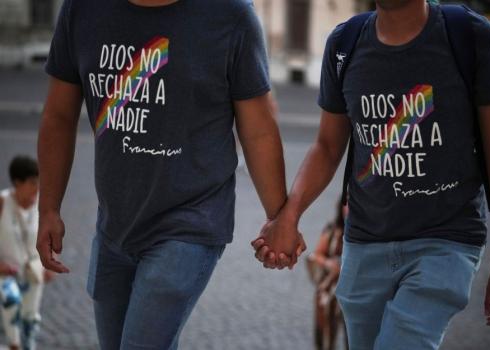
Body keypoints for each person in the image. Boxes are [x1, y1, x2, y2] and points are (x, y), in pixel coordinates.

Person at [253, 0, 490, 349]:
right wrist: (288, 217)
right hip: (365, 246)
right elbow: (327, 146)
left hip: (444, 242)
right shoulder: (345, 43)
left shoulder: (469, 35)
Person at [38, 0, 304, 349]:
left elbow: (258, 129)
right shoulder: (83, 9)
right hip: (115, 225)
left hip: (191, 221)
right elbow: (58, 115)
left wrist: (278, 219)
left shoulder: (230, 14)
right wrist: (49, 208)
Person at [0, 156, 53, 350]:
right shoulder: (3, 203)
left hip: (33, 271)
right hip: (6, 274)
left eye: (38, 183)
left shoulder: (42, 205)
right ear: (17, 183)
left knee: (30, 320)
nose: (36, 188)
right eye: (32, 183)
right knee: (12, 304)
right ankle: (14, 344)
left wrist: (50, 262)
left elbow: (50, 236)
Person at [306, 198, 348, 350]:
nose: (349, 209)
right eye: (347, 204)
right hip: (331, 291)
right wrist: (329, 264)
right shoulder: (333, 230)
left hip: (355, 291)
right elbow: (316, 255)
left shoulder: (369, 232)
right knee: (325, 337)